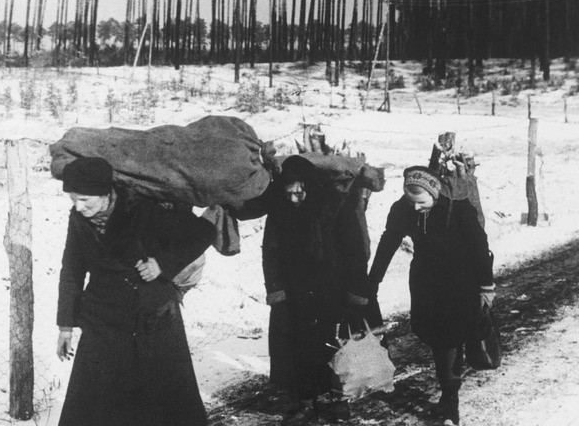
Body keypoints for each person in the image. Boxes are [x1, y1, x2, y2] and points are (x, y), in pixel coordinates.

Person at [55, 157, 216, 426]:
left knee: (163, 403)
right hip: (103, 322)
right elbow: (72, 268)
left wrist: (162, 264)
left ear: (106, 194)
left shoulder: (143, 211)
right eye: (73, 200)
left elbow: (202, 233)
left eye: (85, 200)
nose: (78, 207)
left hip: (152, 317)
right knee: (97, 404)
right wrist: (65, 325)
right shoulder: (78, 219)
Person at [236, 155, 372, 426]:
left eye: (300, 192)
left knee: (337, 345)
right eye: (289, 193)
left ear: (310, 184)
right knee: (298, 348)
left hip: (333, 288)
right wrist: (276, 292)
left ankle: (340, 401)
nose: (295, 198)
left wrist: (356, 293)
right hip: (295, 292)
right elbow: (271, 253)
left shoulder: (335, 204)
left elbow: (355, 250)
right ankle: (306, 403)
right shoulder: (280, 211)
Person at [368, 166, 495, 426]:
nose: (415, 208)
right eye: (411, 202)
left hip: (460, 283)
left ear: (434, 193)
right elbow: (389, 241)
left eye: (421, 202)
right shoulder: (403, 208)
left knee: (449, 341)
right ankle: (449, 389)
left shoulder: (459, 209)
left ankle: (450, 403)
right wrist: (373, 280)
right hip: (426, 284)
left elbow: (480, 248)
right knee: (437, 338)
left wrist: (486, 286)